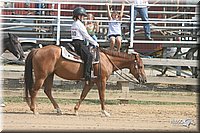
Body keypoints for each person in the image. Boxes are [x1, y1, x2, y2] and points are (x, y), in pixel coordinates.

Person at [71, 7, 99, 85]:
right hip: (79, 43)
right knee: (89, 56)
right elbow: (86, 35)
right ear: (79, 16)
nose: (83, 17)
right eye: (82, 16)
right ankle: (86, 76)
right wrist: (95, 43)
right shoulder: (79, 24)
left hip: (75, 42)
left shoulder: (74, 23)